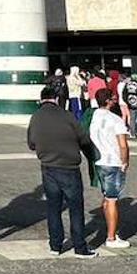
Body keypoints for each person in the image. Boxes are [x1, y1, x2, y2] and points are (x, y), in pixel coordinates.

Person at [28, 85, 98, 258]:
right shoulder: (67, 116)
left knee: (53, 207)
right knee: (75, 208)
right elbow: (84, 140)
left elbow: (31, 143)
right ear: (57, 99)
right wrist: (92, 159)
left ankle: (55, 245)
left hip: (48, 167)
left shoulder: (35, 117)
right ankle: (80, 247)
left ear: (41, 99)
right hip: (69, 167)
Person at [89, 88, 130, 248]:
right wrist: (125, 161)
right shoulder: (115, 119)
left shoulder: (93, 116)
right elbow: (123, 145)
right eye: (113, 99)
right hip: (113, 161)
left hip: (99, 160)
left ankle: (108, 227)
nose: (115, 101)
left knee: (107, 196)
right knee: (113, 199)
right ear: (108, 101)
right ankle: (111, 237)